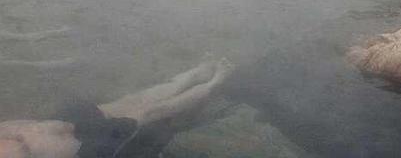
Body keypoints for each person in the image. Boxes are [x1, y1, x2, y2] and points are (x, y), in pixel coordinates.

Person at [0, 56, 233, 158]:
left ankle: (194, 75)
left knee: (132, 100)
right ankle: (215, 83)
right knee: (151, 112)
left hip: (60, 123)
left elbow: (18, 126)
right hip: (82, 144)